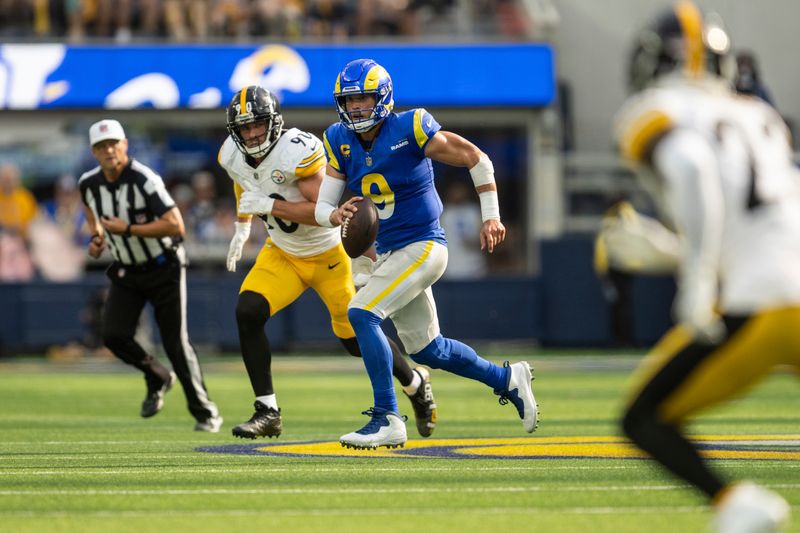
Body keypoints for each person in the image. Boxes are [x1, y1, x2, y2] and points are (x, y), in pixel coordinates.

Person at [615, 2, 795, 532]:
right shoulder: (761, 115)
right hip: (784, 284)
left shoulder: (654, 110)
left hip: (762, 306)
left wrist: (693, 278)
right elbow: (768, 222)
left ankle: (740, 506)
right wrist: (674, 251)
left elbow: (693, 167)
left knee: (644, 418)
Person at [315, 58, 538, 449]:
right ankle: (507, 379)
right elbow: (322, 206)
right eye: (348, 102)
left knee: (361, 312)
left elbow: (476, 158)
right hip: (389, 252)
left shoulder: (411, 126)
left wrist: (492, 217)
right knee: (427, 349)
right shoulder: (337, 138)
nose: (354, 109)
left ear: (382, 98)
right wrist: (334, 214)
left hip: (424, 244)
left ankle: (386, 416)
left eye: (362, 100)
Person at [219, 85, 437, 440]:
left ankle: (415, 381)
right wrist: (242, 228)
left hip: (327, 253)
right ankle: (267, 410)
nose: (252, 133)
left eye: (258, 124)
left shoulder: (295, 153)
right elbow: (245, 184)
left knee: (354, 339)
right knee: (248, 311)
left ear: (273, 122)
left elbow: (327, 212)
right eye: (244, 128)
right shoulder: (231, 153)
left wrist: (270, 206)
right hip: (283, 252)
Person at [78, 119, 222, 432]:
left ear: (124, 145)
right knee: (114, 335)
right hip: (128, 269)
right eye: (102, 146)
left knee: (175, 343)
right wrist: (97, 237)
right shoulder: (89, 184)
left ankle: (205, 411)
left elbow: (175, 224)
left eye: (113, 143)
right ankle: (158, 376)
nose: (109, 150)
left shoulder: (143, 179)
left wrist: (127, 229)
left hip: (163, 265)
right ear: (94, 151)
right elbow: (93, 215)